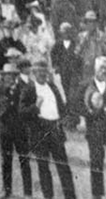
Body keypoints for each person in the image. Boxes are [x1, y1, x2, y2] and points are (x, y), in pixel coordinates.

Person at [28, 60, 77, 199]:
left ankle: (70, 196)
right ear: (34, 73)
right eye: (39, 72)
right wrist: (35, 107)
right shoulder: (29, 89)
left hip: (55, 129)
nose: (42, 75)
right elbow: (22, 111)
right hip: (39, 132)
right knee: (43, 168)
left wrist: (63, 119)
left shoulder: (53, 87)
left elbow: (62, 107)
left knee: (63, 166)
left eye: (45, 72)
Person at [0, 63, 35, 199]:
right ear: (3, 76)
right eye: (7, 75)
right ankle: (7, 191)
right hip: (5, 129)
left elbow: (31, 105)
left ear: (16, 76)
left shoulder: (24, 88)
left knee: (24, 160)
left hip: (21, 129)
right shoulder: (0, 88)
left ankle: (28, 193)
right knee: (6, 161)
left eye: (13, 75)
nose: (10, 78)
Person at [84, 56, 106, 199]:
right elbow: (75, 106)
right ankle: (97, 194)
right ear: (95, 69)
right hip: (95, 131)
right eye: (101, 68)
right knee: (96, 163)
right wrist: (90, 111)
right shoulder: (85, 84)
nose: (104, 71)